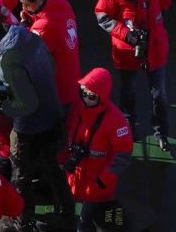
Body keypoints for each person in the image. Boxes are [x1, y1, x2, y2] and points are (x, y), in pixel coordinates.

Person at [0, 19, 75, 228]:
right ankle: (67, 212)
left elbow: (25, 106)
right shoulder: (30, 37)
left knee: (21, 177)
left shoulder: (9, 61)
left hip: (28, 128)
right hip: (53, 114)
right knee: (53, 168)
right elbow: (52, 67)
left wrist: (1, 104)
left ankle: (22, 221)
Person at [94, 0, 173, 149]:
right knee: (128, 90)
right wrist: (126, 34)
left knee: (159, 95)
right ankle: (129, 123)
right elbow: (101, 14)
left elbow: (165, 4)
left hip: (154, 49)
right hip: (126, 50)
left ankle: (161, 132)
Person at [60, 68, 134, 232]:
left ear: (102, 97)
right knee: (73, 213)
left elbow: (123, 154)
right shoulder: (78, 108)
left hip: (96, 183)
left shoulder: (116, 121)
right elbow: (70, 134)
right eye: (83, 93)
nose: (86, 98)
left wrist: (103, 179)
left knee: (86, 221)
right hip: (76, 176)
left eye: (91, 96)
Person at [17, 0, 81, 112]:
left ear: (40, 1)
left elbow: (29, 54)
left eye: (27, 5)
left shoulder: (43, 27)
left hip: (58, 88)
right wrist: (31, 15)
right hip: (72, 76)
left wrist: (23, 27)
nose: (24, 8)